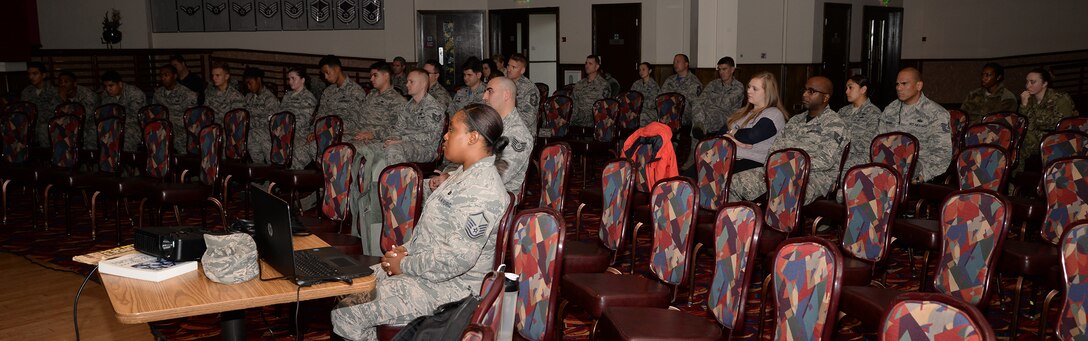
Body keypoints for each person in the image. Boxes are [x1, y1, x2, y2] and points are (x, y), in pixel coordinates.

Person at [331, 104, 510, 341]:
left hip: (452, 290)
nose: (445, 135)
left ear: (473, 137)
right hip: (428, 272)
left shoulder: (483, 191)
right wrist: (405, 250)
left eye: (452, 130)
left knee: (348, 311)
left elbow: (456, 260)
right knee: (348, 287)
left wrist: (404, 265)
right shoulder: (462, 174)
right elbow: (433, 232)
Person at [729, 76, 846, 205]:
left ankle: (778, 225)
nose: (805, 94)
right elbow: (775, 148)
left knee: (784, 188)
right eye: (805, 90)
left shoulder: (835, 124)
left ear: (825, 97)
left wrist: (786, 167)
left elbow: (825, 161)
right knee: (733, 183)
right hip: (778, 171)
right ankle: (741, 224)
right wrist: (772, 167)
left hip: (813, 177)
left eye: (811, 91)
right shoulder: (796, 120)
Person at [431, 78, 533, 201]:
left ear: (506, 95)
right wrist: (450, 176)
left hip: (489, 199)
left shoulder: (518, 135)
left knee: (422, 196)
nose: (484, 97)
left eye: (490, 92)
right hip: (468, 186)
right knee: (419, 188)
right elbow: (473, 163)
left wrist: (451, 179)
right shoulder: (489, 125)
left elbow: (496, 176)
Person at [876, 67, 952, 183]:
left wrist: (922, 177)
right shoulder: (890, 110)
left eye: (904, 84)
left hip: (917, 168)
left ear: (918, 86)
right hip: (888, 167)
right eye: (897, 84)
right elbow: (877, 142)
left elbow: (941, 154)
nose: (899, 88)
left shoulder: (936, 113)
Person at [360, 69, 445, 165]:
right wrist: (392, 139)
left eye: (411, 82)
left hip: (425, 149)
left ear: (423, 84)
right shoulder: (408, 105)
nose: (407, 85)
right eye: (407, 81)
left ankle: (396, 179)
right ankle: (373, 179)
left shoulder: (433, 107)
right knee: (369, 148)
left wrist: (401, 140)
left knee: (394, 150)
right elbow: (398, 128)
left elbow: (430, 137)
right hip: (405, 143)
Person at [683, 56, 745, 170]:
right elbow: (700, 99)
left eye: (724, 69)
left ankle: (695, 153)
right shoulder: (713, 84)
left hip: (726, 117)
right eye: (719, 69)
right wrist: (712, 100)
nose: (721, 72)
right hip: (707, 113)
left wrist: (711, 99)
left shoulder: (738, 87)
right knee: (697, 108)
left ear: (732, 69)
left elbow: (725, 104)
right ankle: (700, 136)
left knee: (700, 119)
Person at [720, 72, 788, 174]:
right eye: (749, 87)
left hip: (753, 163)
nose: (748, 91)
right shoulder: (741, 112)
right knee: (692, 175)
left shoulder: (774, 114)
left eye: (754, 89)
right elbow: (719, 135)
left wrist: (732, 133)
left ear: (767, 92)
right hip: (727, 157)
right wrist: (735, 140)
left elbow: (752, 136)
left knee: (707, 176)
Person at [1020, 67, 1079, 164]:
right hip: (1034, 135)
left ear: (1044, 83)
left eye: (1032, 82)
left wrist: (1033, 123)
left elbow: (1063, 126)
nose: (1027, 86)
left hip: (1059, 137)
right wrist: (1024, 106)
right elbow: (1024, 124)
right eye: (1027, 82)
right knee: (1013, 142)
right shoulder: (1028, 99)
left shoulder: (1060, 99)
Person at [350, 62, 407, 144]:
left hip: (376, 140)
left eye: (375, 75)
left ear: (386, 76)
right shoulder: (372, 94)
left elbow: (397, 129)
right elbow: (359, 116)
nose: (371, 79)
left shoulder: (397, 100)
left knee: (345, 151)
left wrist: (373, 134)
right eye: (371, 76)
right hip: (359, 133)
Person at [837, 74, 882, 172]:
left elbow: (867, 145)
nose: (846, 91)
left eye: (850, 88)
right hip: (839, 156)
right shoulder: (843, 111)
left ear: (863, 89)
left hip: (859, 160)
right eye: (846, 88)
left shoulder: (873, 113)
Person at [280, 67, 319, 169]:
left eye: (293, 78)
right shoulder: (287, 96)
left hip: (300, 134)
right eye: (289, 79)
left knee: (289, 149)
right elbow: (280, 113)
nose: (290, 82)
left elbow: (303, 121)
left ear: (303, 80)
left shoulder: (308, 98)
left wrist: (283, 124)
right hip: (283, 131)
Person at [153, 64, 198, 151]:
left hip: (181, 130)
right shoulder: (158, 94)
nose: (163, 78)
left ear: (175, 76)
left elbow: (192, 119)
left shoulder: (187, 94)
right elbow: (155, 113)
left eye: (166, 75)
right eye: (161, 75)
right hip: (163, 128)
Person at [319, 55, 368, 134]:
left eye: (327, 73)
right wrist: (314, 131)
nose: (326, 77)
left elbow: (355, 122)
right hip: (325, 133)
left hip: (345, 134)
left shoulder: (355, 91)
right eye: (324, 74)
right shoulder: (328, 91)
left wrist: (329, 129)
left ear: (337, 69)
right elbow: (320, 114)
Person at [100, 70, 147, 152]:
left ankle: (126, 162)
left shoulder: (135, 94)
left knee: (125, 137)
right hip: (114, 125)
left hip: (135, 126)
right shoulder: (106, 95)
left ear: (120, 84)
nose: (108, 89)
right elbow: (105, 113)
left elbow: (135, 118)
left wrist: (114, 124)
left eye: (111, 85)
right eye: (105, 86)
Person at [241, 67, 280, 163]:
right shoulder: (248, 97)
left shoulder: (270, 99)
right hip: (252, 134)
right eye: (247, 84)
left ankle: (272, 168)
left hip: (266, 134)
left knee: (255, 135)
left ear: (258, 80)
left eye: (250, 83)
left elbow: (270, 122)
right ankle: (258, 168)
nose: (248, 87)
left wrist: (250, 124)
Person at [57, 71, 100, 148]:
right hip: (66, 124)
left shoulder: (87, 95)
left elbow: (83, 117)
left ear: (74, 83)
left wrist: (65, 101)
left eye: (66, 82)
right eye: (60, 82)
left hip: (88, 124)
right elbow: (54, 114)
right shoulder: (58, 94)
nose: (63, 84)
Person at [21, 62, 60, 145]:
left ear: (43, 75)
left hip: (48, 125)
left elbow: (53, 113)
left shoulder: (53, 91)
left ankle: (47, 155)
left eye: (35, 74)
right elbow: (24, 110)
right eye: (29, 74)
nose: (31, 77)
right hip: (30, 124)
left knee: (43, 128)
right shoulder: (26, 91)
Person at [660, 53, 703, 125]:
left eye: (678, 61)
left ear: (686, 64)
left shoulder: (694, 81)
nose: (675, 64)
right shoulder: (669, 80)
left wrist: (675, 101)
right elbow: (661, 95)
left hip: (684, 113)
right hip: (666, 110)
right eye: (674, 62)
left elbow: (693, 101)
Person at [571, 55, 612, 128]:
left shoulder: (603, 85)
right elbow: (573, 102)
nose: (587, 66)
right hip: (577, 119)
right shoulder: (579, 84)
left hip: (593, 120)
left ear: (597, 67)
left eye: (590, 64)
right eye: (586, 63)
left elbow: (604, 108)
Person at [505, 53, 540, 136]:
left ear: (522, 70)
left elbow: (528, 118)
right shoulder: (505, 84)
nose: (509, 69)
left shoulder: (529, 89)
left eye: (513, 67)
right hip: (506, 129)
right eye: (508, 65)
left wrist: (506, 124)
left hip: (523, 133)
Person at [631, 62, 661, 126]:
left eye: (643, 69)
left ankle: (641, 135)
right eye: (640, 70)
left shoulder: (654, 85)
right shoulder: (636, 84)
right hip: (637, 110)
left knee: (640, 117)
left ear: (650, 71)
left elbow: (652, 104)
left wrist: (638, 106)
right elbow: (630, 97)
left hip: (650, 111)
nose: (641, 72)